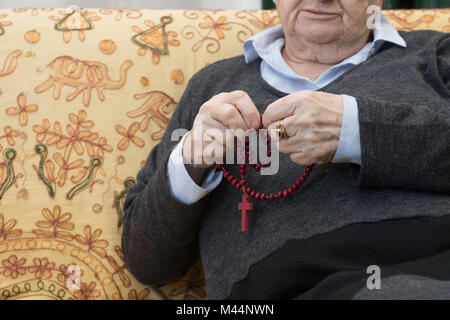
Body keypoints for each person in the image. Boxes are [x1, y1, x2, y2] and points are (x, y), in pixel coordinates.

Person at [122, 0, 450, 299]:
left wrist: (357, 130)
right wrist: (189, 163)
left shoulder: (433, 54)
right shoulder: (212, 86)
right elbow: (147, 261)